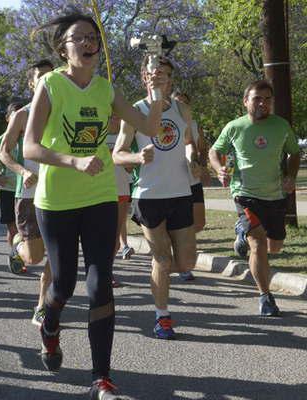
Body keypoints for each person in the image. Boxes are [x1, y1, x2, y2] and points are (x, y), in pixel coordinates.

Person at [24, 12, 166, 399]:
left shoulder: (106, 89)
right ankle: (50, 325)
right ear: (63, 48)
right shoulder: (51, 85)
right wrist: (73, 160)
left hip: (100, 195)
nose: (88, 44)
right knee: (65, 283)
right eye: (79, 38)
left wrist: (155, 95)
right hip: (56, 200)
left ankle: (100, 378)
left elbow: (150, 127)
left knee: (101, 284)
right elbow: (30, 147)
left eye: (92, 38)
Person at [114, 56, 200, 341]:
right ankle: (162, 316)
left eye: (164, 73)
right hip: (149, 196)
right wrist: (137, 157)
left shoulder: (181, 109)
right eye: (154, 73)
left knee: (186, 262)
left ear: (170, 79)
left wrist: (192, 160)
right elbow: (117, 154)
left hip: (180, 193)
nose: (159, 77)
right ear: (144, 78)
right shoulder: (136, 111)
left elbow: (189, 142)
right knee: (162, 258)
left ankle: (156, 275)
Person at [209, 79, 300, 317]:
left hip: (275, 195)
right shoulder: (234, 127)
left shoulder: (281, 126)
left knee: (275, 247)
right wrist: (219, 168)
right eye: (257, 98)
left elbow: (294, 152)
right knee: (258, 243)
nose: (263, 103)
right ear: (246, 101)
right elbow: (214, 151)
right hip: (245, 194)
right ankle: (265, 296)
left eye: (267, 99)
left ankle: (241, 233)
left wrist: (290, 175)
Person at [0, 59, 53, 325]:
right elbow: (3, 151)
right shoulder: (22, 115)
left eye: (50, 75)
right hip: (29, 194)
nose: (46, 80)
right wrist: (22, 171)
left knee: (56, 253)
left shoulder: (65, 110)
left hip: (60, 194)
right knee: (34, 256)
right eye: (40, 77)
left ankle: (42, 305)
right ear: (32, 83)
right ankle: (17, 246)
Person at [173, 90, 212, 281]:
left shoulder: (195, 126)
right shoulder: (166, 124)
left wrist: (203, 166)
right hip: (174, 180)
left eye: (184, 103)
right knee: (181, 224)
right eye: (177, 102)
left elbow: (203, 148)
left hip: (193, 179)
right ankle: (183, 264)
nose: (181, 106)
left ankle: (179, 249)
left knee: (198, 222)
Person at [105, 115, 134, 288]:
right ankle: (99, 271)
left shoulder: (125, 138)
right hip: (100, 191)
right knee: (101, 235)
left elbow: (131, 167)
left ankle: (108, 272)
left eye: (117, 117)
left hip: (122, 189)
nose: (115, 120)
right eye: (111, 117)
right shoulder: (98, 136)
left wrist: (127, 159)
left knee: (115, 237)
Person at [0, 103, 21, 256]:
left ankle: (22, 251)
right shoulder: (1, 141)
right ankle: (15, 256)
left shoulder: (30, 137)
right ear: (7, 118)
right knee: (12, 227)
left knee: (23, 228)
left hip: (27, 190)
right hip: (8, 190)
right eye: (14, 115)